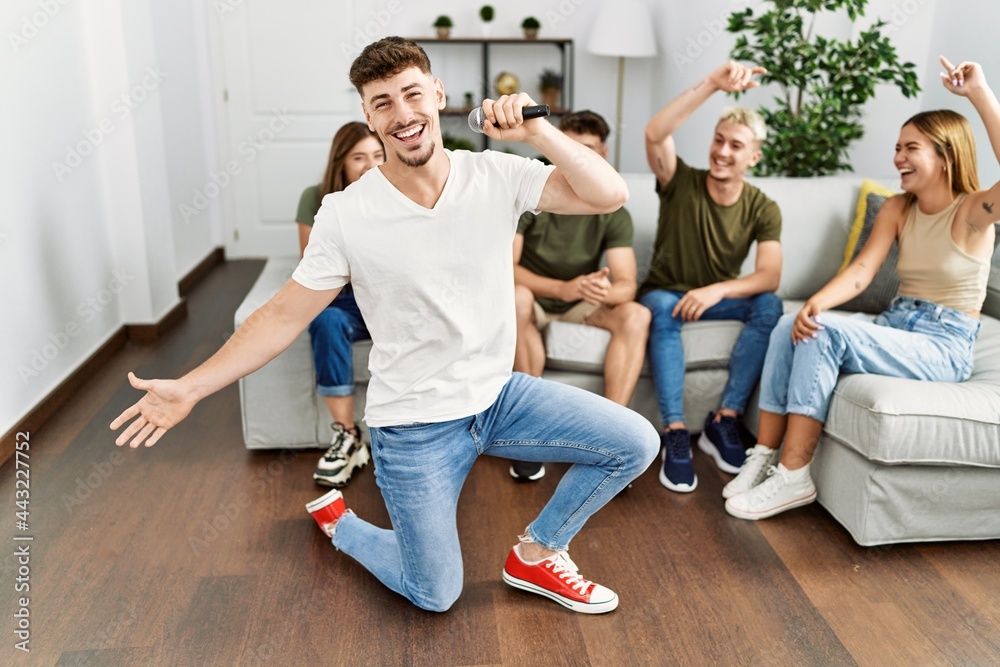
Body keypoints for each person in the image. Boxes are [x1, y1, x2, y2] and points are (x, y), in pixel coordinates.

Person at [110, 37, 658, 614]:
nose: (402, 114)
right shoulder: (347, 213)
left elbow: (609, 195)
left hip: (497, 395)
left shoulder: (497, 173)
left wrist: (539, 132)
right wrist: (191, 387)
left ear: (438, 95)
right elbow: (283, 314)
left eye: (412, 94)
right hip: (415, 424)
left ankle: (539, 553)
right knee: (436, 593)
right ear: (367, 118)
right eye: (382, 103)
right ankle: (340, 523)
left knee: (633, 442)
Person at [724, 56, 1000, 520]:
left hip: (943, 343)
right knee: (795, 321)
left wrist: (979, 93)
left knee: (824, 333)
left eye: (911, 148)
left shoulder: (975, 211)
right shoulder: (898, 207)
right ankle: (764, 457)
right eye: (897, 147)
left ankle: (794, 476)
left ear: (946, 154)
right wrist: (817, 303)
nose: (897, 158)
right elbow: (861, 272)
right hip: (897, 321)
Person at [641, 61, 784, 493]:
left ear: (754, 156)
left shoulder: (762, 206)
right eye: (718, 140)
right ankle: (675, 431)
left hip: (715, 297)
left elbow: (770, 276)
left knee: (770, 306)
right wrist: (712, 84)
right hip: (665, 294)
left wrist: (716, 289)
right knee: (663, 307)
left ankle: (725, 420)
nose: (722, 151)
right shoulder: (679, 180)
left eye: (735, 145)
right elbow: (654, 133)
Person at [509, 110, 649, 482]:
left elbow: (626, 284)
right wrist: (562, 289)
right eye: (568, 147)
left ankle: (614, 436)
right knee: (516, 297)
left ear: (602, 153)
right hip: (536, 295)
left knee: (636, 314)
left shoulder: (613, 206)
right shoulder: (531, 186)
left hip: (580, 299)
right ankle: (527, 434)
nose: (576, 158)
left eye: (586, 150)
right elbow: (506, 268)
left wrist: (605, 289)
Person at [296, 122, 384, 487]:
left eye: (378, 156)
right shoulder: (316, 198)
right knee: (325, 320)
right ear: (341, 163)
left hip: (386, 297)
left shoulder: (400, 191)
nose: (370, 166)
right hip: (344, 301)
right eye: (359, 158)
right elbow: (314, 265)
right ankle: (347, 436)